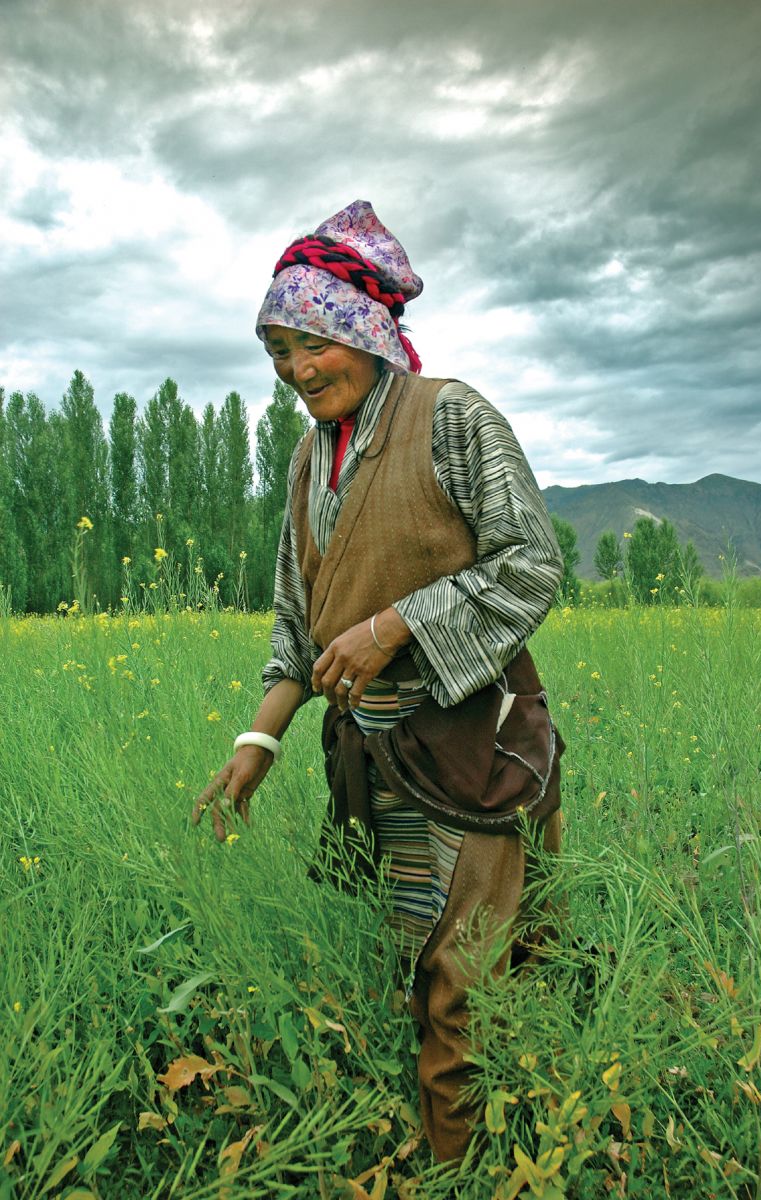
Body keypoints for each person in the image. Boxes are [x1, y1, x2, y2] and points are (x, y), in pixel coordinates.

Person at [192, 200, 564, 1163]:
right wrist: (258, 742)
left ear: (363, 326)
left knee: (466, 980)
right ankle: (461, 1147)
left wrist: (397, 625)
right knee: (415, 954)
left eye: (310, 342)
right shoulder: (309, 461)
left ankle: (471, 1168)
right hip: (380, 754)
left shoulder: (451, 417)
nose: (295, 371)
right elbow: (296, 623)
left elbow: (531, 565)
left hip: (474, 747)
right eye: (276, 352)